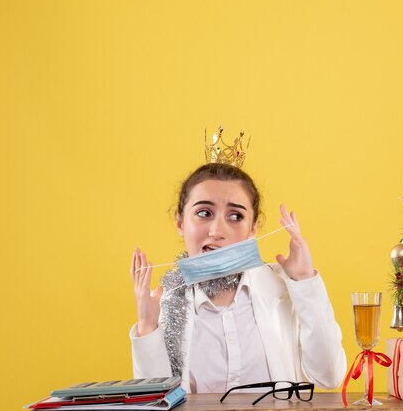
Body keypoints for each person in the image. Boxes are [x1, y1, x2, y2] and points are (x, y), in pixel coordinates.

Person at [129, 162, 347, 393]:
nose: (217, 231)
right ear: (181, 223)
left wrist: (304, 281)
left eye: (235, 216)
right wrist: (147, 327)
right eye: (204, 213)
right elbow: (154, 400)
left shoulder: (287, 288)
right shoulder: (165, 304)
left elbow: (329, 376)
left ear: (253, 228)